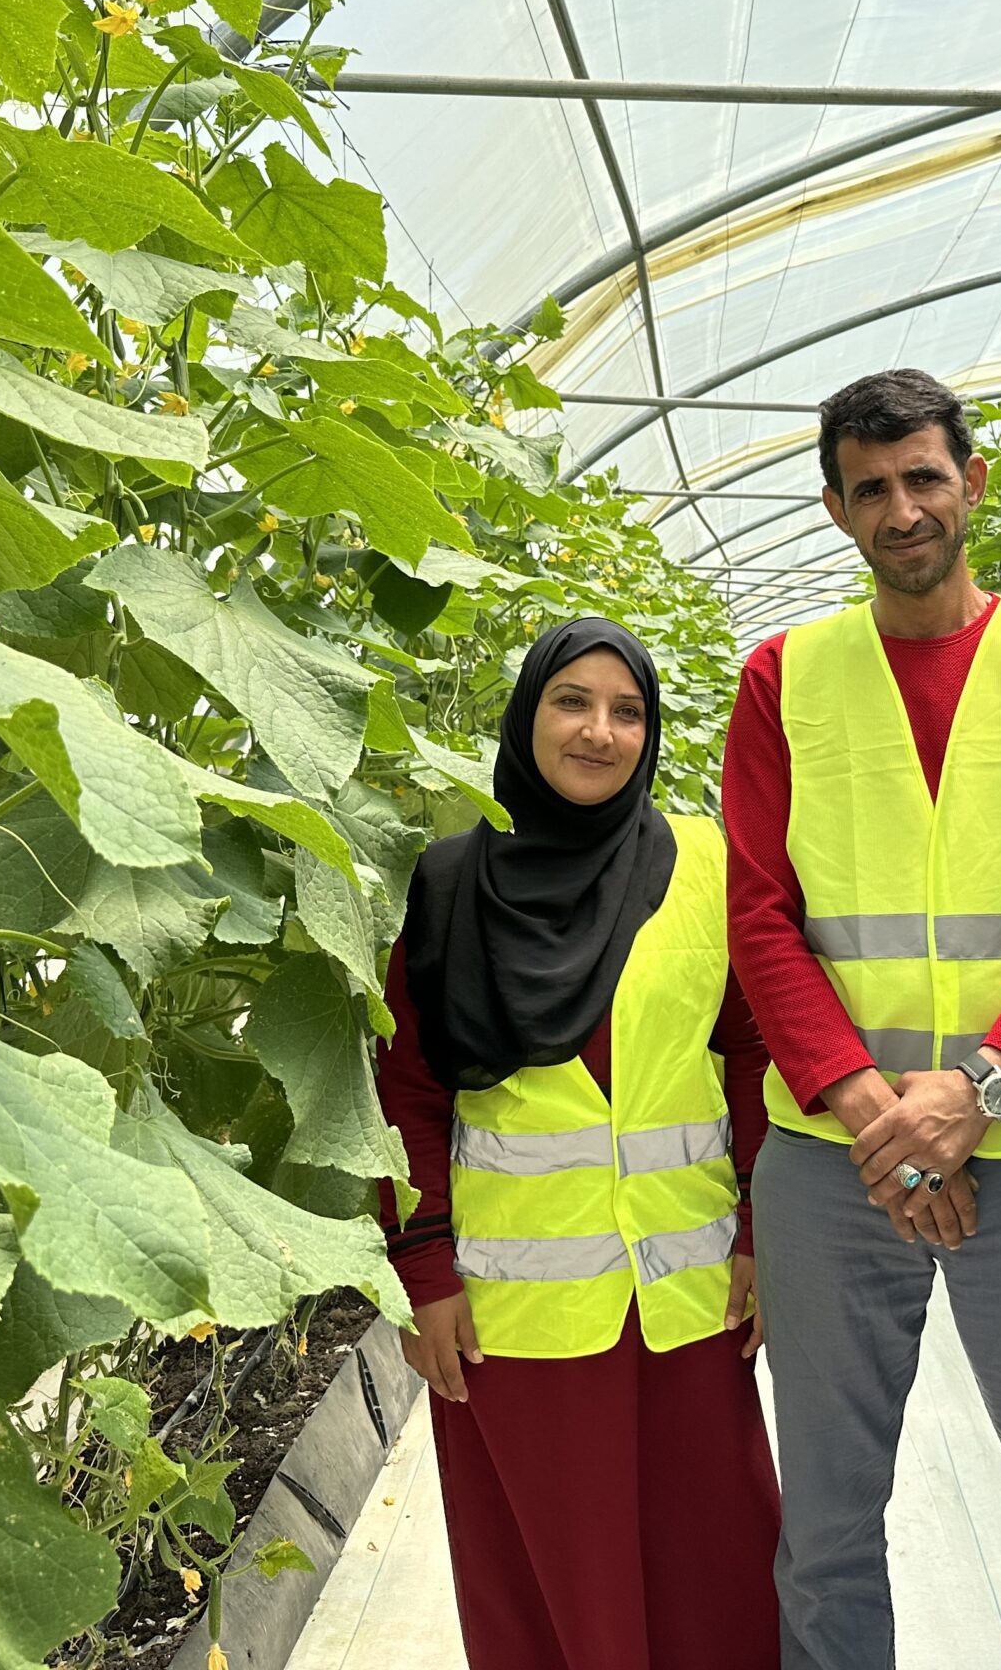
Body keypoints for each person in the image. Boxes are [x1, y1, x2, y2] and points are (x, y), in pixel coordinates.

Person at [722, 368, 1001, 1669]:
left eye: (923, 477)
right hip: (833, 1159)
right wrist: (879, 1115)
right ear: (835, 510)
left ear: (972, 481)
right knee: (830, 1521)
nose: (902, 507)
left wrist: (976, 1092)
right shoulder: (781, 680)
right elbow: (764, 920)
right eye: (871, 489)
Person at [374, 617, 781, 1670]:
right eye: (572, 702)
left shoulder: (702, 862)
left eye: (627, 711)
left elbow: (748, 1053)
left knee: (718, 1573)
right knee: (554, 1594)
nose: (599, 732)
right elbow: (404, 1091)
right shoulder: (450, 882)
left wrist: (761, 1234)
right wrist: (422, 1273)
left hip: (688, 1308)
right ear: (527, 713)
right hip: (514, 1324)